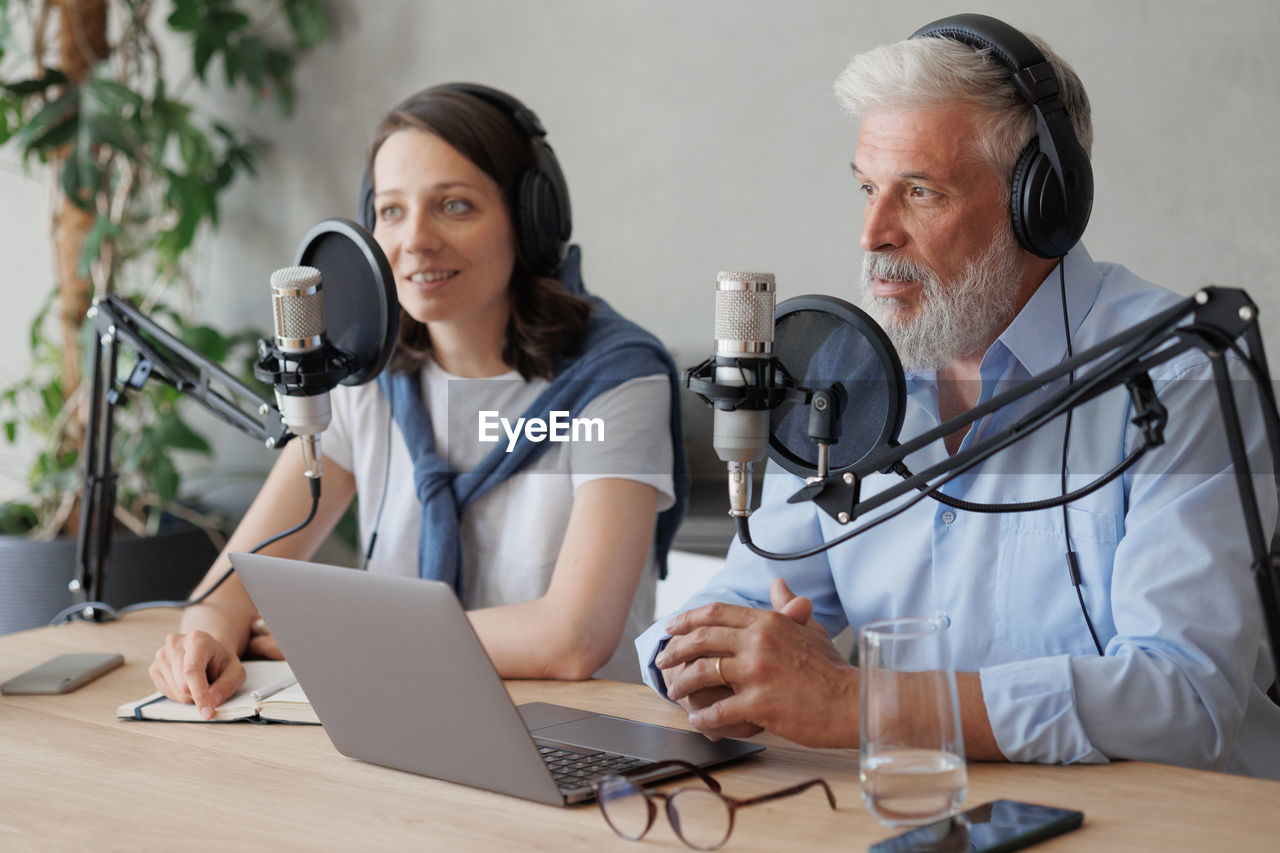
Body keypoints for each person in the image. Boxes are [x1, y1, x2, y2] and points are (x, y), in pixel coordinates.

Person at [637, 14, 1280, 779]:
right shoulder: (840, 374)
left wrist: (861, 703)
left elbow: (1185, 700)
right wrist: (715, 660)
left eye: (919, 192)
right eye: (868, 188)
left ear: (1039, 206)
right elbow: (733, 602)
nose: (873, 233)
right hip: (921, 806)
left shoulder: (1181, 372)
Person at [150, 83, 686, 718]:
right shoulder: (364, 377)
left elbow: (572, 638)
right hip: (404, 722)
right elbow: (232, 586)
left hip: (577, 738)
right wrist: (204, 639)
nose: (415, 241)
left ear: (530, 219)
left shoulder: (616, 384)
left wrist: (343, 641)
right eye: (392, 210)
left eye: (454, 206)